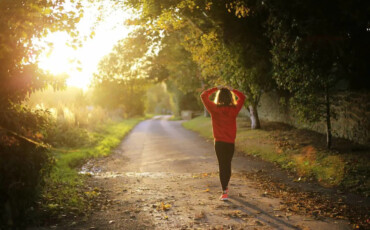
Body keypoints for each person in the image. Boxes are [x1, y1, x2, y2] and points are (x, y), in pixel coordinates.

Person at [200, 86, 246, 201]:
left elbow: (203, 96)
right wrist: (233, 89)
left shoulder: (214, 109)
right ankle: (226, 187)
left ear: (218, 97)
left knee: (222, 165)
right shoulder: (234, 109)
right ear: (230, 97)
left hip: (219, 142)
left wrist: (215, 88)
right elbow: (243, 97)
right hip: (230, 142)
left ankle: (224, 191)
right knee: (228, 164)